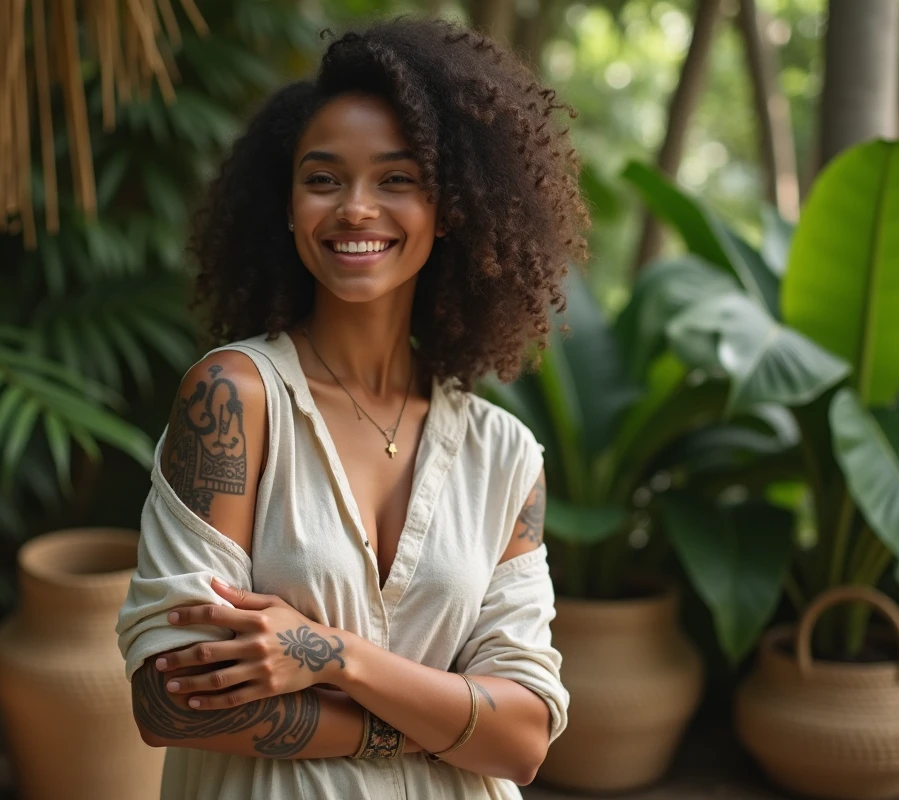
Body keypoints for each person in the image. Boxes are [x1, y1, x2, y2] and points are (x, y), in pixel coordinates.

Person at [116, 15, 588, 800]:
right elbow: (172, 702)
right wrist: (442, 723)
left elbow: (526, 736)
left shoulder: (504, 455)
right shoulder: (235, 400)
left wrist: (332, 654)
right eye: (324, 178)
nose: (356, 209)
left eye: (397, 179)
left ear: (455, 206)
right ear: (287, 202)